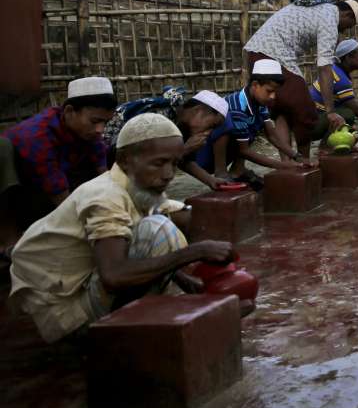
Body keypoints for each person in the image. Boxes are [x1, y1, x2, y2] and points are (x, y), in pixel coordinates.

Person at [8, 113, 245, 343]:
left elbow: (170, 212)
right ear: (124, 161)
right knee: (159, 231)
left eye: (174, 164)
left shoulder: (138, 186)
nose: (169, 174)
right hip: (68, 316)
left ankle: (174, 315)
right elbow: (114, 276)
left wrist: (182, 278)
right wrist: (196, 252)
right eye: (159, 163)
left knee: (158, 227)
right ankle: (138, 332)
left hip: (85, 284)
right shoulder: (105, 196)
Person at [243, 0, 358, 158]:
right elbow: (325, 67)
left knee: (282, 111)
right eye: (349, 25)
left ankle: (287, 164)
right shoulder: (330, 20)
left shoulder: (322, 8)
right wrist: (330, 112)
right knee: (304, 110)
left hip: (257, 51)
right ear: (347, 15)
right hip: (273, 53)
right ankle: (304, 161)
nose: (345, 30)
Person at [3, 77, 115, 231]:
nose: (100, 130)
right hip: (26, 193)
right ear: (69, 111)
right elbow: (58, 192)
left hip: (59, 184)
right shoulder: (37, 136)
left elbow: (102, 169)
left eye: (105, 123)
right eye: (95, 121)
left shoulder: (87, 133)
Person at [196, 59, 311, 184]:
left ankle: (238, 170)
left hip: (228, 149)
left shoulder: (259, 104)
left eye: (275, 92)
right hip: (204, 156)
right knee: (227, 120)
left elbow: (272, 135)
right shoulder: (237, 107)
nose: (273, 96)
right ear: (255, 85)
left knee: (251, 124)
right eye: (269, 91)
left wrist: (297, 157)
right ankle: (221, 172)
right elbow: (244, 151)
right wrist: (282, 165)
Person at [104, 88, 231, 191]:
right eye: (211, 126)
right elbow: (145, 157)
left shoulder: (186, 127)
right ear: (198, 111)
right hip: (108, 160)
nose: (209, 132)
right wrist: (185, 149)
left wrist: (211, 180)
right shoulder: (160, 116)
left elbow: (186, 161)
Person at [310, 39, 358, 141]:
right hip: (313, 124)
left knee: (347, 120)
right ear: (348, 57)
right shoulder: (340, 79)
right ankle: (325, 146)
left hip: (312, 118)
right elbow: (357, 111)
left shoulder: (334, 70)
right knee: (348, 115)